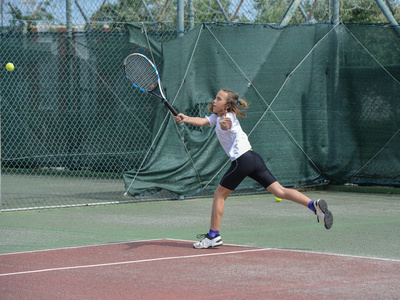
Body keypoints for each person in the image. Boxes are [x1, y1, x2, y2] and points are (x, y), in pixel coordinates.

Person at [173, 89, 333, 249]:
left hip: (242, 160)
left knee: (219, 194)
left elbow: (227, 124)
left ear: (227, 105)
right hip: (254, 158)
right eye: (215, 98)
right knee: (280, 191)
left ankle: (213, 236)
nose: (214, 101)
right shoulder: (217, 117)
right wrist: (185, 118)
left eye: (218, 99)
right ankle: (314, 206)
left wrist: (226, 125)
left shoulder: (227, 118)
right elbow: (202, 121)